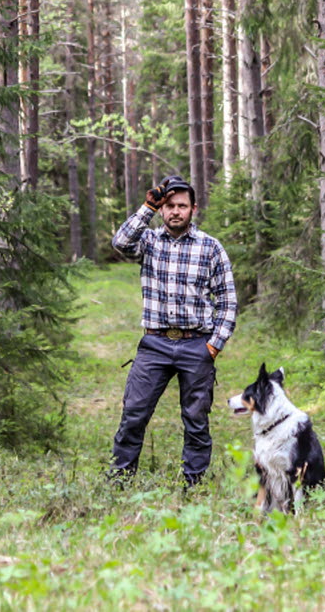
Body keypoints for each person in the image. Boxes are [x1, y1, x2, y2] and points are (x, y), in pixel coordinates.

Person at [110, 175, 238, 487]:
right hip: (154, 344)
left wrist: (214, 346)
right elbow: (120, 243)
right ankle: (120, 481)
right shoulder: (149, 242)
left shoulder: (210, 247)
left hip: (197, 345)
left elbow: (227, 301)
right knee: (134, 415)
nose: (175, 211)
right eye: (169, 206)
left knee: (196, 420)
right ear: (162, 209)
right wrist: (146, 207)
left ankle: (195, 484)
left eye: (182, 205)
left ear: (194, 209)